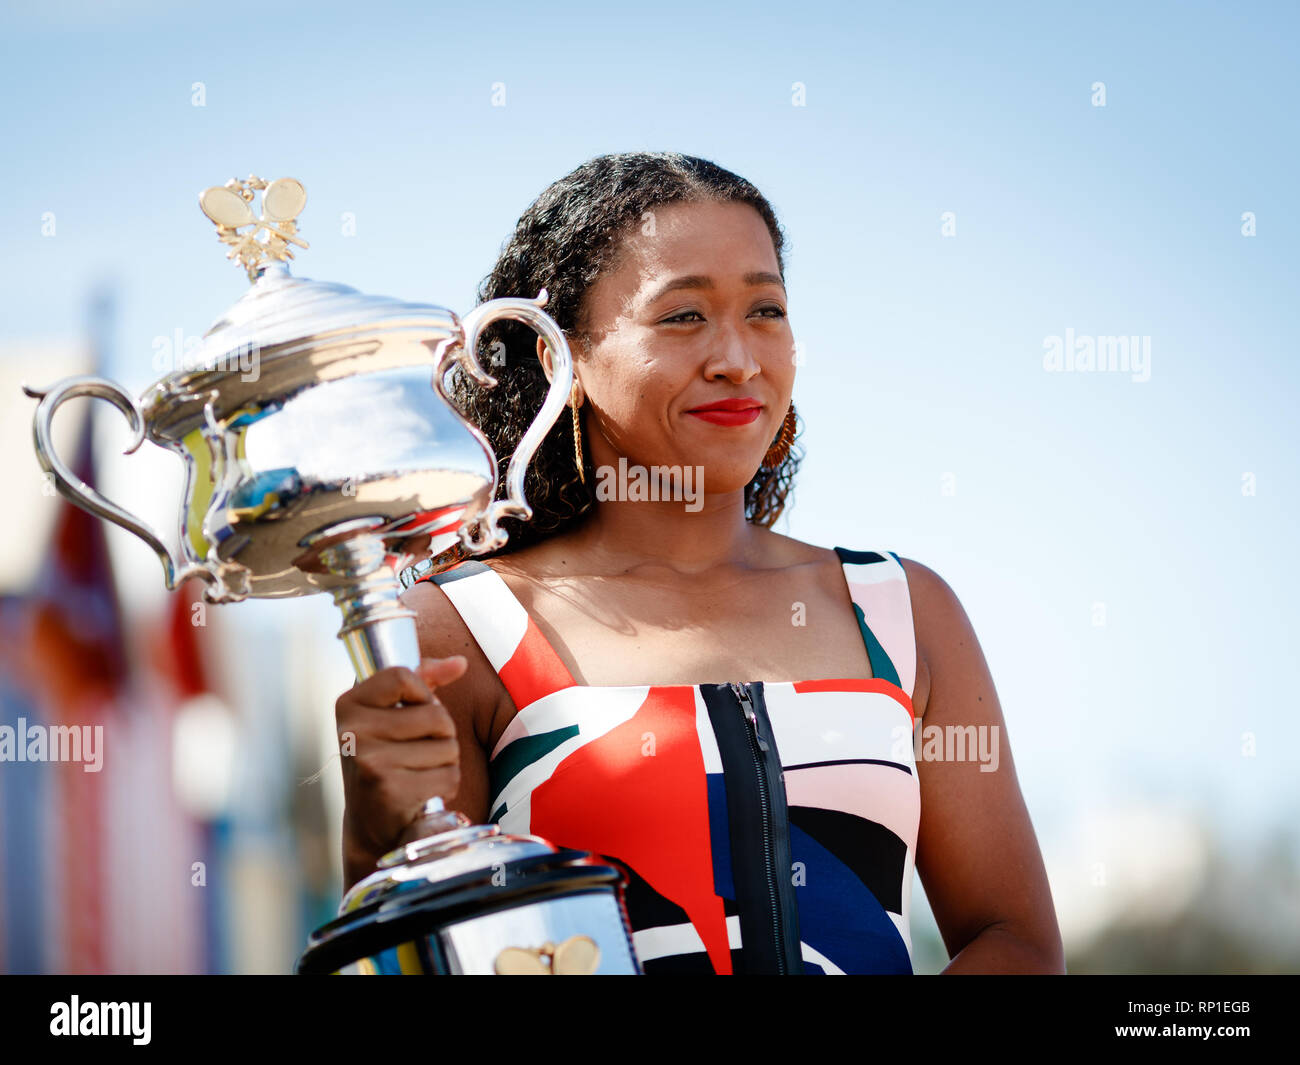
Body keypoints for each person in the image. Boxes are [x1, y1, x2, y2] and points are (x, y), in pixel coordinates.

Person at [334, 152, 1064, 975]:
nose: (737, 358)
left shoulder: (902, 609)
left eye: (766, 310)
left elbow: (1016, 940)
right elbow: (414, 949)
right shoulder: (466, 627)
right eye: (683, 316)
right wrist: (372, 839)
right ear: (556, 360)